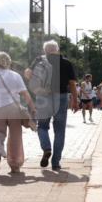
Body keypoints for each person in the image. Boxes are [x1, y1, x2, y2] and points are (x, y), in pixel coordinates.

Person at [0, 51, 36, 174]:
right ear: (9, 62)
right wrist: (32, 107)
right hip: (13, 109)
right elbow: (25, 94)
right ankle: (15, 165)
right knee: (15, 137)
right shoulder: (16, 76)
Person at [30, 40, 78, 171]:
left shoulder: (39, 61)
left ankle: (46, 148)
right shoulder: (66, 63)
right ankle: (55, 162)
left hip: (43, 97)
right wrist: (75, 100)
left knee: (42, 126)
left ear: (45, 50)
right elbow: (72, 83)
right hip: (61, 97)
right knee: (60, 130)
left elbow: (29, 75)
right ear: (57, 50)